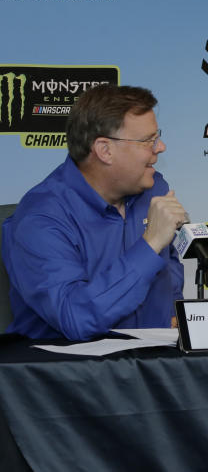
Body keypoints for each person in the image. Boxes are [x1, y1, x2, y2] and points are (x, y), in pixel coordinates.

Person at [3, 85, 186, 340]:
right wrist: (150, 243)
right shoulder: (40, 219)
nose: (161, 147)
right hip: (69, 373)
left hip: (153, 366)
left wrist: (175, 308)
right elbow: (75, 318)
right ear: (104, 150)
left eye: (158, 136)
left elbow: (170, 263)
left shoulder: (154, 189)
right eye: (148, 140)